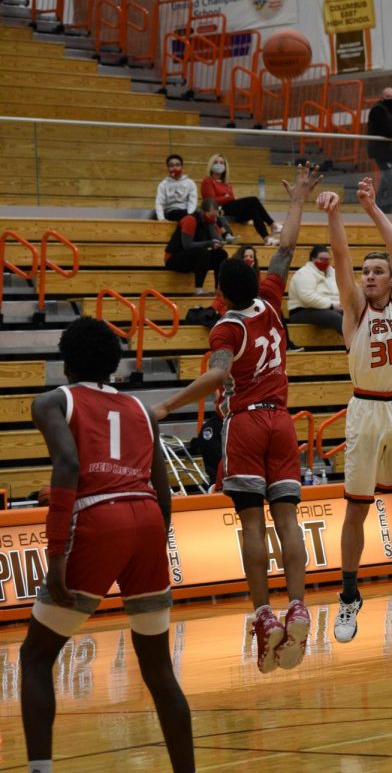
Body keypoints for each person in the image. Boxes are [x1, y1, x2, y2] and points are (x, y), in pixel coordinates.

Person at [153, 163, 322, 674]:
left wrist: (166, 405)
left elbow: (218, 379)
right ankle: (298, 604)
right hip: (284, 422)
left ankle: (265, 614)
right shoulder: (271, 299)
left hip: (248, 423)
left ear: (222, 292)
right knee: (288, 518)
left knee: (252, 521)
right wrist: (297, 202)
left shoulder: (225, 328)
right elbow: (287, 250)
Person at [19, 317, 195, 773]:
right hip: (148, 522)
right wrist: (157, 543)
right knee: (159, 670)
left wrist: (56, 553)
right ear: (115, 364)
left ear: (67, 360)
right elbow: (163, 491)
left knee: (36, 656)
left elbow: (70, 464)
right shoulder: (141, 409)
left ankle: (41, 769)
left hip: (99, 520)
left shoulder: (52, 400)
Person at [316, 177, 392, 645]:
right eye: (367, 272)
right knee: (356, 511)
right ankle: (348, 597)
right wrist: (335, 214)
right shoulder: (353, 310)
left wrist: (372, 207)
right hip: (365, 410)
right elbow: (341, 259)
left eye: (377, 272)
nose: (369, 276)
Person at [211, 243, 303, 352]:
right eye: (245, 256)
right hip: (231, 311)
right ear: (240, 258)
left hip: (250, 308)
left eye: (251, 257)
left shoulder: (255, 274)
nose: (248, 259)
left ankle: (284, 344)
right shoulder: (231, 275)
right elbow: (221, 300)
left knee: (274, 311)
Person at [200, 153, 282, 245]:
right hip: (218, 210)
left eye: (221, 163)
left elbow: (231, 198)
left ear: (225, 166)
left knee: (254, 210)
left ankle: (266, 238)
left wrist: (228, 198)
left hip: (230, 209)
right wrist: (228, 197)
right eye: (216, 162)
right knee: (253, 200)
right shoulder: (208, 181)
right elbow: (212, 201)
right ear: (211, 164)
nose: (219, 165)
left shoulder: (227, 183)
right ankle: (272, 224)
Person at [164, 198, 228, 295]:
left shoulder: (210, 222)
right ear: (202, 212)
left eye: (215, 216)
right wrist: (209, 243)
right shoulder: (190, 220)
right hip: (174, 257)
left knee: (221, 254)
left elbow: (218, 240)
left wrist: (212, 225)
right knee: (203, 252)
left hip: (195, 257)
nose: (213, 218)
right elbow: (187, 245)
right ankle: (198, 289)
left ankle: (218, 289)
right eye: (211, 215)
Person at [288, 245, 344, 335]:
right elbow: (307, 297)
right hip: (302, 311)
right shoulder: (303, 273)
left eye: (327, 259)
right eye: (321, 259)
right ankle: (356, 345)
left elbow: (343, 290)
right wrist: (332, 305)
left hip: (330, 309)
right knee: (335, 317)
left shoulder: (333, 273)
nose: (325, 262)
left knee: (355, 316)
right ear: (313, 259)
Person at [155, 153, 198, 222]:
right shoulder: (163, 184)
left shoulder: (190, 183)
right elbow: (159, 203)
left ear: (182, 167)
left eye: (177, 165)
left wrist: (190, 215)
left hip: (186, 212)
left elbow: (192, 201)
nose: (175, 168)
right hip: (171, 212)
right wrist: (162, 219)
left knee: (199, 216)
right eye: (171, 165)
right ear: (167, 168)